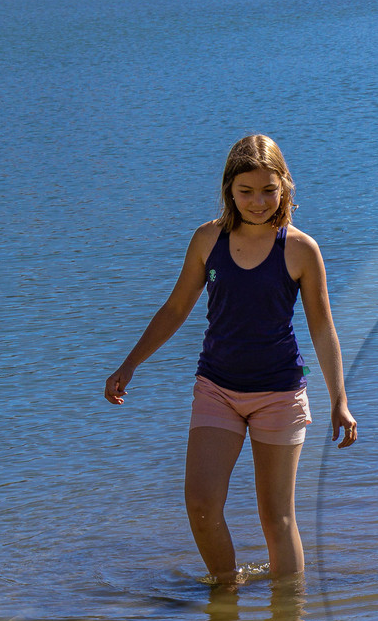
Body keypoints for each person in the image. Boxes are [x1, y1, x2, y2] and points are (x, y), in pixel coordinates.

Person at [105, 135, 356, 584]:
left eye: (268, 190)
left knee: (275, 518)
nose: (258, 202)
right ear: (228, 190)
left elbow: (323, 327)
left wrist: (339, 398)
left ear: (285, 188)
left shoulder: (300, 249)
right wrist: (130, 364)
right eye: (246, 192)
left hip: (279, 394)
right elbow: (176, 307)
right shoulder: (208, 240)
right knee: (201, 506)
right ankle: (225, 594)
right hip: (217, 388)